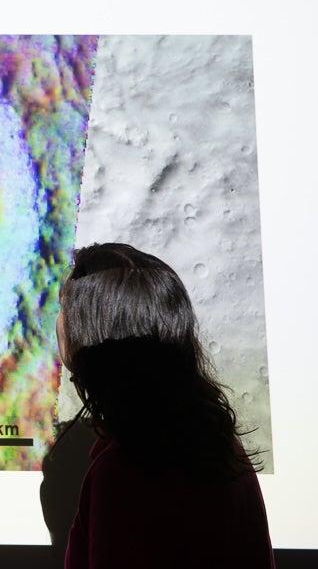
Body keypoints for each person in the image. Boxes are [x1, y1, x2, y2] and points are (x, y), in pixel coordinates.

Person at [57, 242, 274, 569]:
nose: (58, 322)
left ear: (92, 330)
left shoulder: (123, 472)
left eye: (63, 308)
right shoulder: (220, 446)